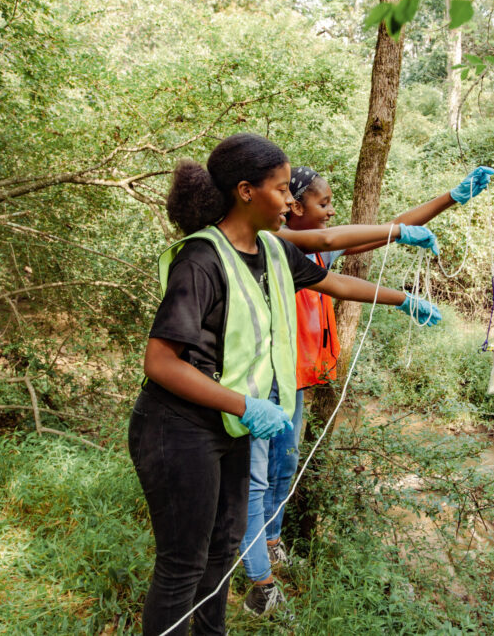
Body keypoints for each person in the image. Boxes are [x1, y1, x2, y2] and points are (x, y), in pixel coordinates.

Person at [128, 132, 441, 636]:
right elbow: (160, 362)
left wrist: (402, 298)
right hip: (178, 427)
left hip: (228, 424)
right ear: (246, 191)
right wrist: (246, 406)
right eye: (281, 190)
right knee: (183, 564)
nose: (291, 202)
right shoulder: (201, 260)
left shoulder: (271, 249)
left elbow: (333, 275)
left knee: (222, 553)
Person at [238, 163, 494, 615]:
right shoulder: (271, 245)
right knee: (256, 481)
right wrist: (401, 295)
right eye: (323, 203)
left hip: (297, 380)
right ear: (293, 207)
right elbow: (341, 239)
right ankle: (259, 585)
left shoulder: (315, 255)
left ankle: (272, 542)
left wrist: (451, 199)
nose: (332, 211)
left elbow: (386, 231)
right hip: (266, 382)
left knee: (285, 466)